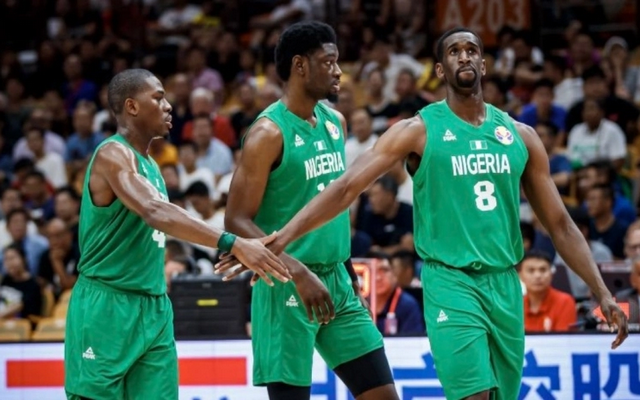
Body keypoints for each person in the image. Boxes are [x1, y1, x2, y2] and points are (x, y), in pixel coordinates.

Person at [219, 28, 630, 400]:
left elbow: (560, 224)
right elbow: (344, 189)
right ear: (439, 69)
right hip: (445, 279)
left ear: (484, 64)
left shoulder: (519, 136)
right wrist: (280, 246)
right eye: (454, 51)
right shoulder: (415, 129)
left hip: (499, 282)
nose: (464, 56)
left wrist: (602, 291)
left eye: (472, 50)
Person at [64, 68, 290, 400]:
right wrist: (233, 242)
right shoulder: (112, 154)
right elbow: (154, 211)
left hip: (154, 305)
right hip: (107, 305)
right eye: (158, 98)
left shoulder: (152, 166)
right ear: (131, 106)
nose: (168, 105)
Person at [222, 21, 398, 400]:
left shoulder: (336, 122)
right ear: (300, 65)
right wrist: (298, 273)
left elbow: (333, 205)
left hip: (337, 281)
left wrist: (348, 274)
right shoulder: (268, 133)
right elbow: (235, 220)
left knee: (383, 394)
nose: (338, 71)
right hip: (285, 282)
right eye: (328, 62)